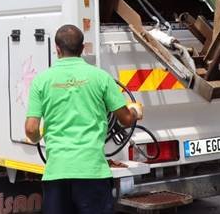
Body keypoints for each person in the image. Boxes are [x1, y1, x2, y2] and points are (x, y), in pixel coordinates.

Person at [24, 24, 144, 214]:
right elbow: (125, 120)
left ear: (57, 49)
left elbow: (31, 130)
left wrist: (39, 136)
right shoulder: (101, 78)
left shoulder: (41, 80)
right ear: (82, 48)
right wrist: (135, 112)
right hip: (92, 173)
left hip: (57, 173)